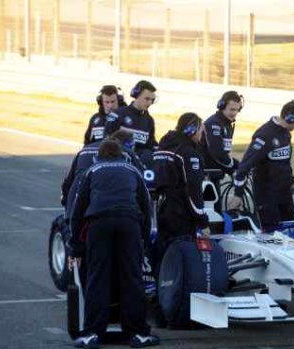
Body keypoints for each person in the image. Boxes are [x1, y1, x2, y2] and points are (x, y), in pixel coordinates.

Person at [69, 139, 159, 349]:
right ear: (121, 155)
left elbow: (78, 210)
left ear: (99, 156)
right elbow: (146, 207)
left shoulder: (92, 170)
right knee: (132, 277)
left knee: (97, 277)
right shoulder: (132, 170)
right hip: (129, 223)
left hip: (99, 223)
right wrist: (143, 240)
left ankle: (92, 333)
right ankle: (138, 332)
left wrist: (76, 245)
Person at [229, 100, 294, 232]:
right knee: (272, 238)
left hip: (284, 196)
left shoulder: (286, 133)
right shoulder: (265, 135)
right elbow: (245, 166)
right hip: (268, 199)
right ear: (290, 118)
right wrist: (238, 194)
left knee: (291, 234)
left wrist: (290, 182)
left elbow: (285, 162)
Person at [153, 113, 210, 250]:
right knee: (181, 255)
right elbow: (193, 191)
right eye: (200, 131)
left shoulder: (163, 147)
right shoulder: (189, 154)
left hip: (161, 209)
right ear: (192, 131)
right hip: (181, 214)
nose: (202, 136)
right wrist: (203, 222)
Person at [62, 130, 144, 218]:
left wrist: (66, 203)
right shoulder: (128, 153)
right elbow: (142, 181)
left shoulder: (84, 151)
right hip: (115, 209)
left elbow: (68, 182)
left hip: (79, 204)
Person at [104, 80, 158, 166]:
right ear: (136, 96)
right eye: (147, 99)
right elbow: (106, 140)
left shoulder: (149, 120)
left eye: (152, 100)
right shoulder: (117, 115)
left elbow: (150, 145)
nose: (150, 103)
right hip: (117, 163)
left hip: (138, 166)